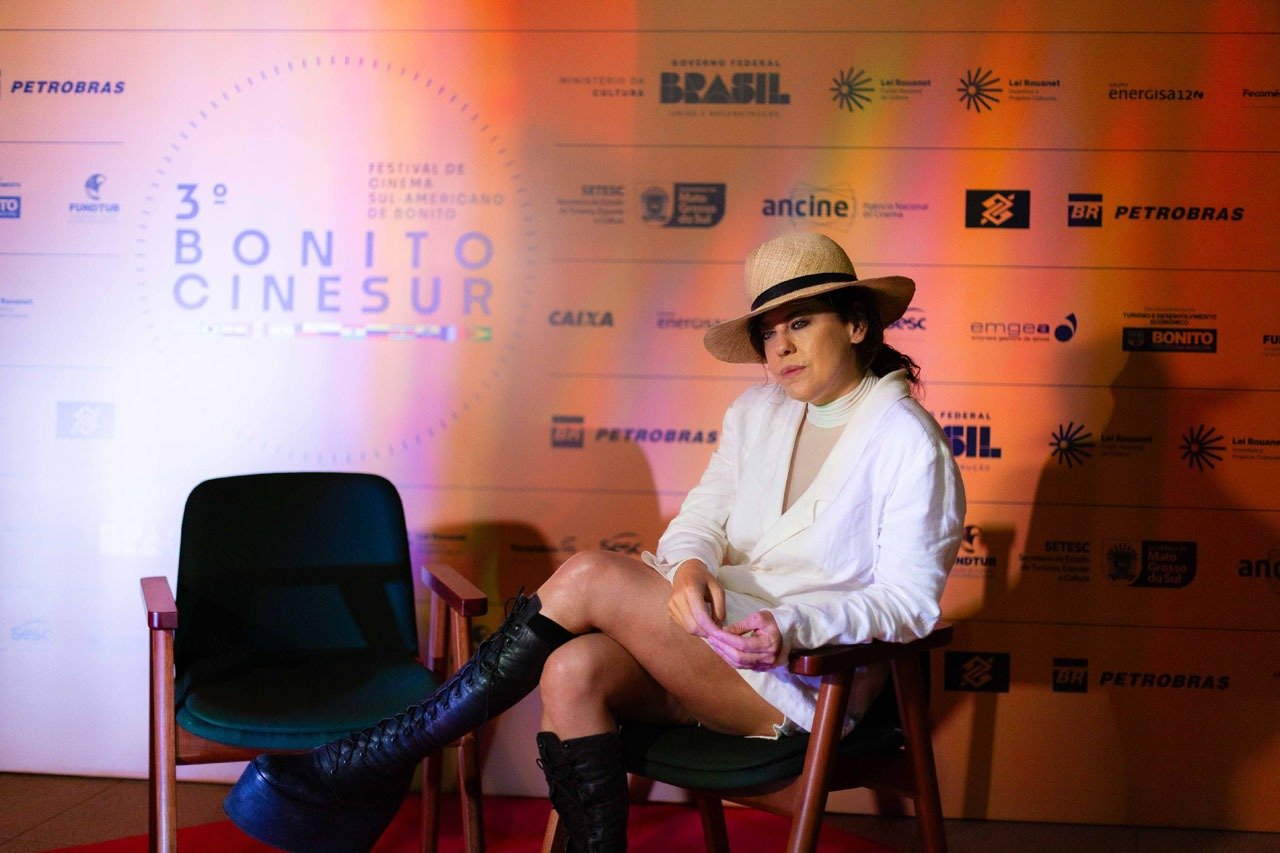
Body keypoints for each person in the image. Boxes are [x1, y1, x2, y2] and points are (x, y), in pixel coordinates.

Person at [224, 232, 966, 852]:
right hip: (712, 647)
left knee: (591, 575)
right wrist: (691, 566)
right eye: (768, 332)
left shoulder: (907, 440)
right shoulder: (757, 412)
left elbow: (908, 603)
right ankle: (402, 764)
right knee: (571, 669)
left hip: (807, 677)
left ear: (858, 324)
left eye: (799, 322)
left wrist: (793, 626)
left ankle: (384, 753)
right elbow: (700, 520)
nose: (780, 347)